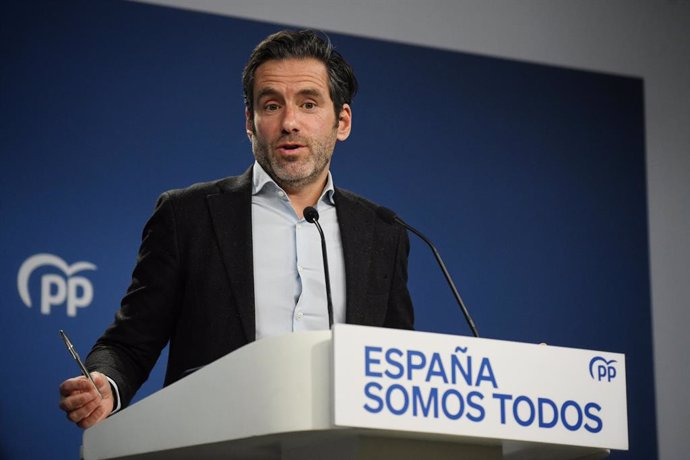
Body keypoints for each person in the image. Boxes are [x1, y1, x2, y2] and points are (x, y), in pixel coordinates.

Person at [58, 29, 414, 429]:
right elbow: (129, 344)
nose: (289, 122)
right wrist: (108, 383)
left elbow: (396, 365)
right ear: (250, 120)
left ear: (342, 121)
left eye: (309, 104)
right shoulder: (187, 215)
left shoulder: (383, 232)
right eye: (271, 105)